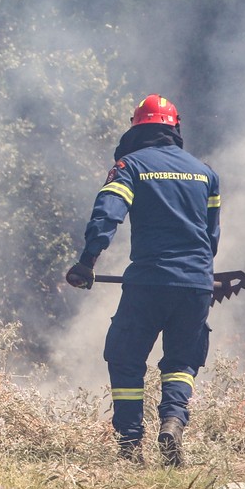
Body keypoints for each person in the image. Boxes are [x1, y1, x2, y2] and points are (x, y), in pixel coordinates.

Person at [66, 95, 220, 467]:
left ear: (137, 128)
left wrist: (87, 262)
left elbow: (107, 216)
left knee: (126, 357)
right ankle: (172, 421)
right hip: (197, 282)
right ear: (175, 128)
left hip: (149, 281)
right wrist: (198, 275)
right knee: (182, 360)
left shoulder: (131, 166)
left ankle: (131, 445)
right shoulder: (205, 173)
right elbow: (211, 237)